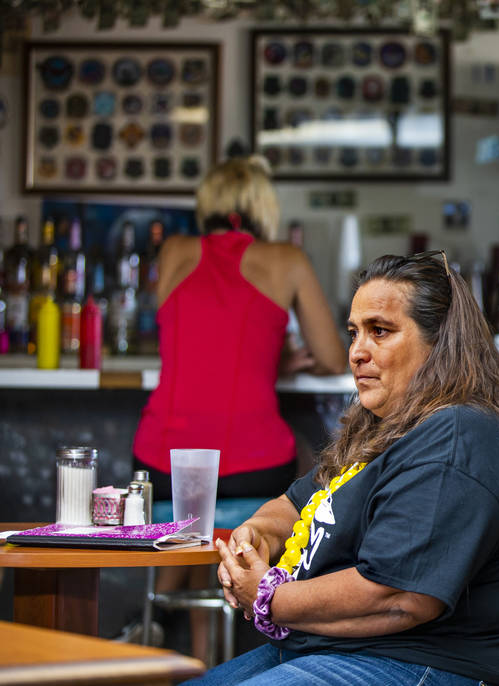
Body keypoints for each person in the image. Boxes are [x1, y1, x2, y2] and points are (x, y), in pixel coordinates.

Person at [191, 251, 499, 686]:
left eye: (379, 332)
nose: (357, 353)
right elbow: (293, 505)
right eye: (354, 333)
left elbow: (399, 596)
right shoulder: (385, 429)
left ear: (440, 343)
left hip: (424, 665)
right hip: (337, 652)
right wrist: (256, 536)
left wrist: (268, 598)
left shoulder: (459, 436)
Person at [131, 156, 346, 660]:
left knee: (190, 523)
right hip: (251, 471)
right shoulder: (286, 260)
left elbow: (201, 339)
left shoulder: (176, 251)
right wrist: (275, 359)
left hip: (164, 466)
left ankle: (167, 629)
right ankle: (242, 640)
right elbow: (336, 357)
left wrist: (264, 357)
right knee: (302, 476)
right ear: (262, 205)